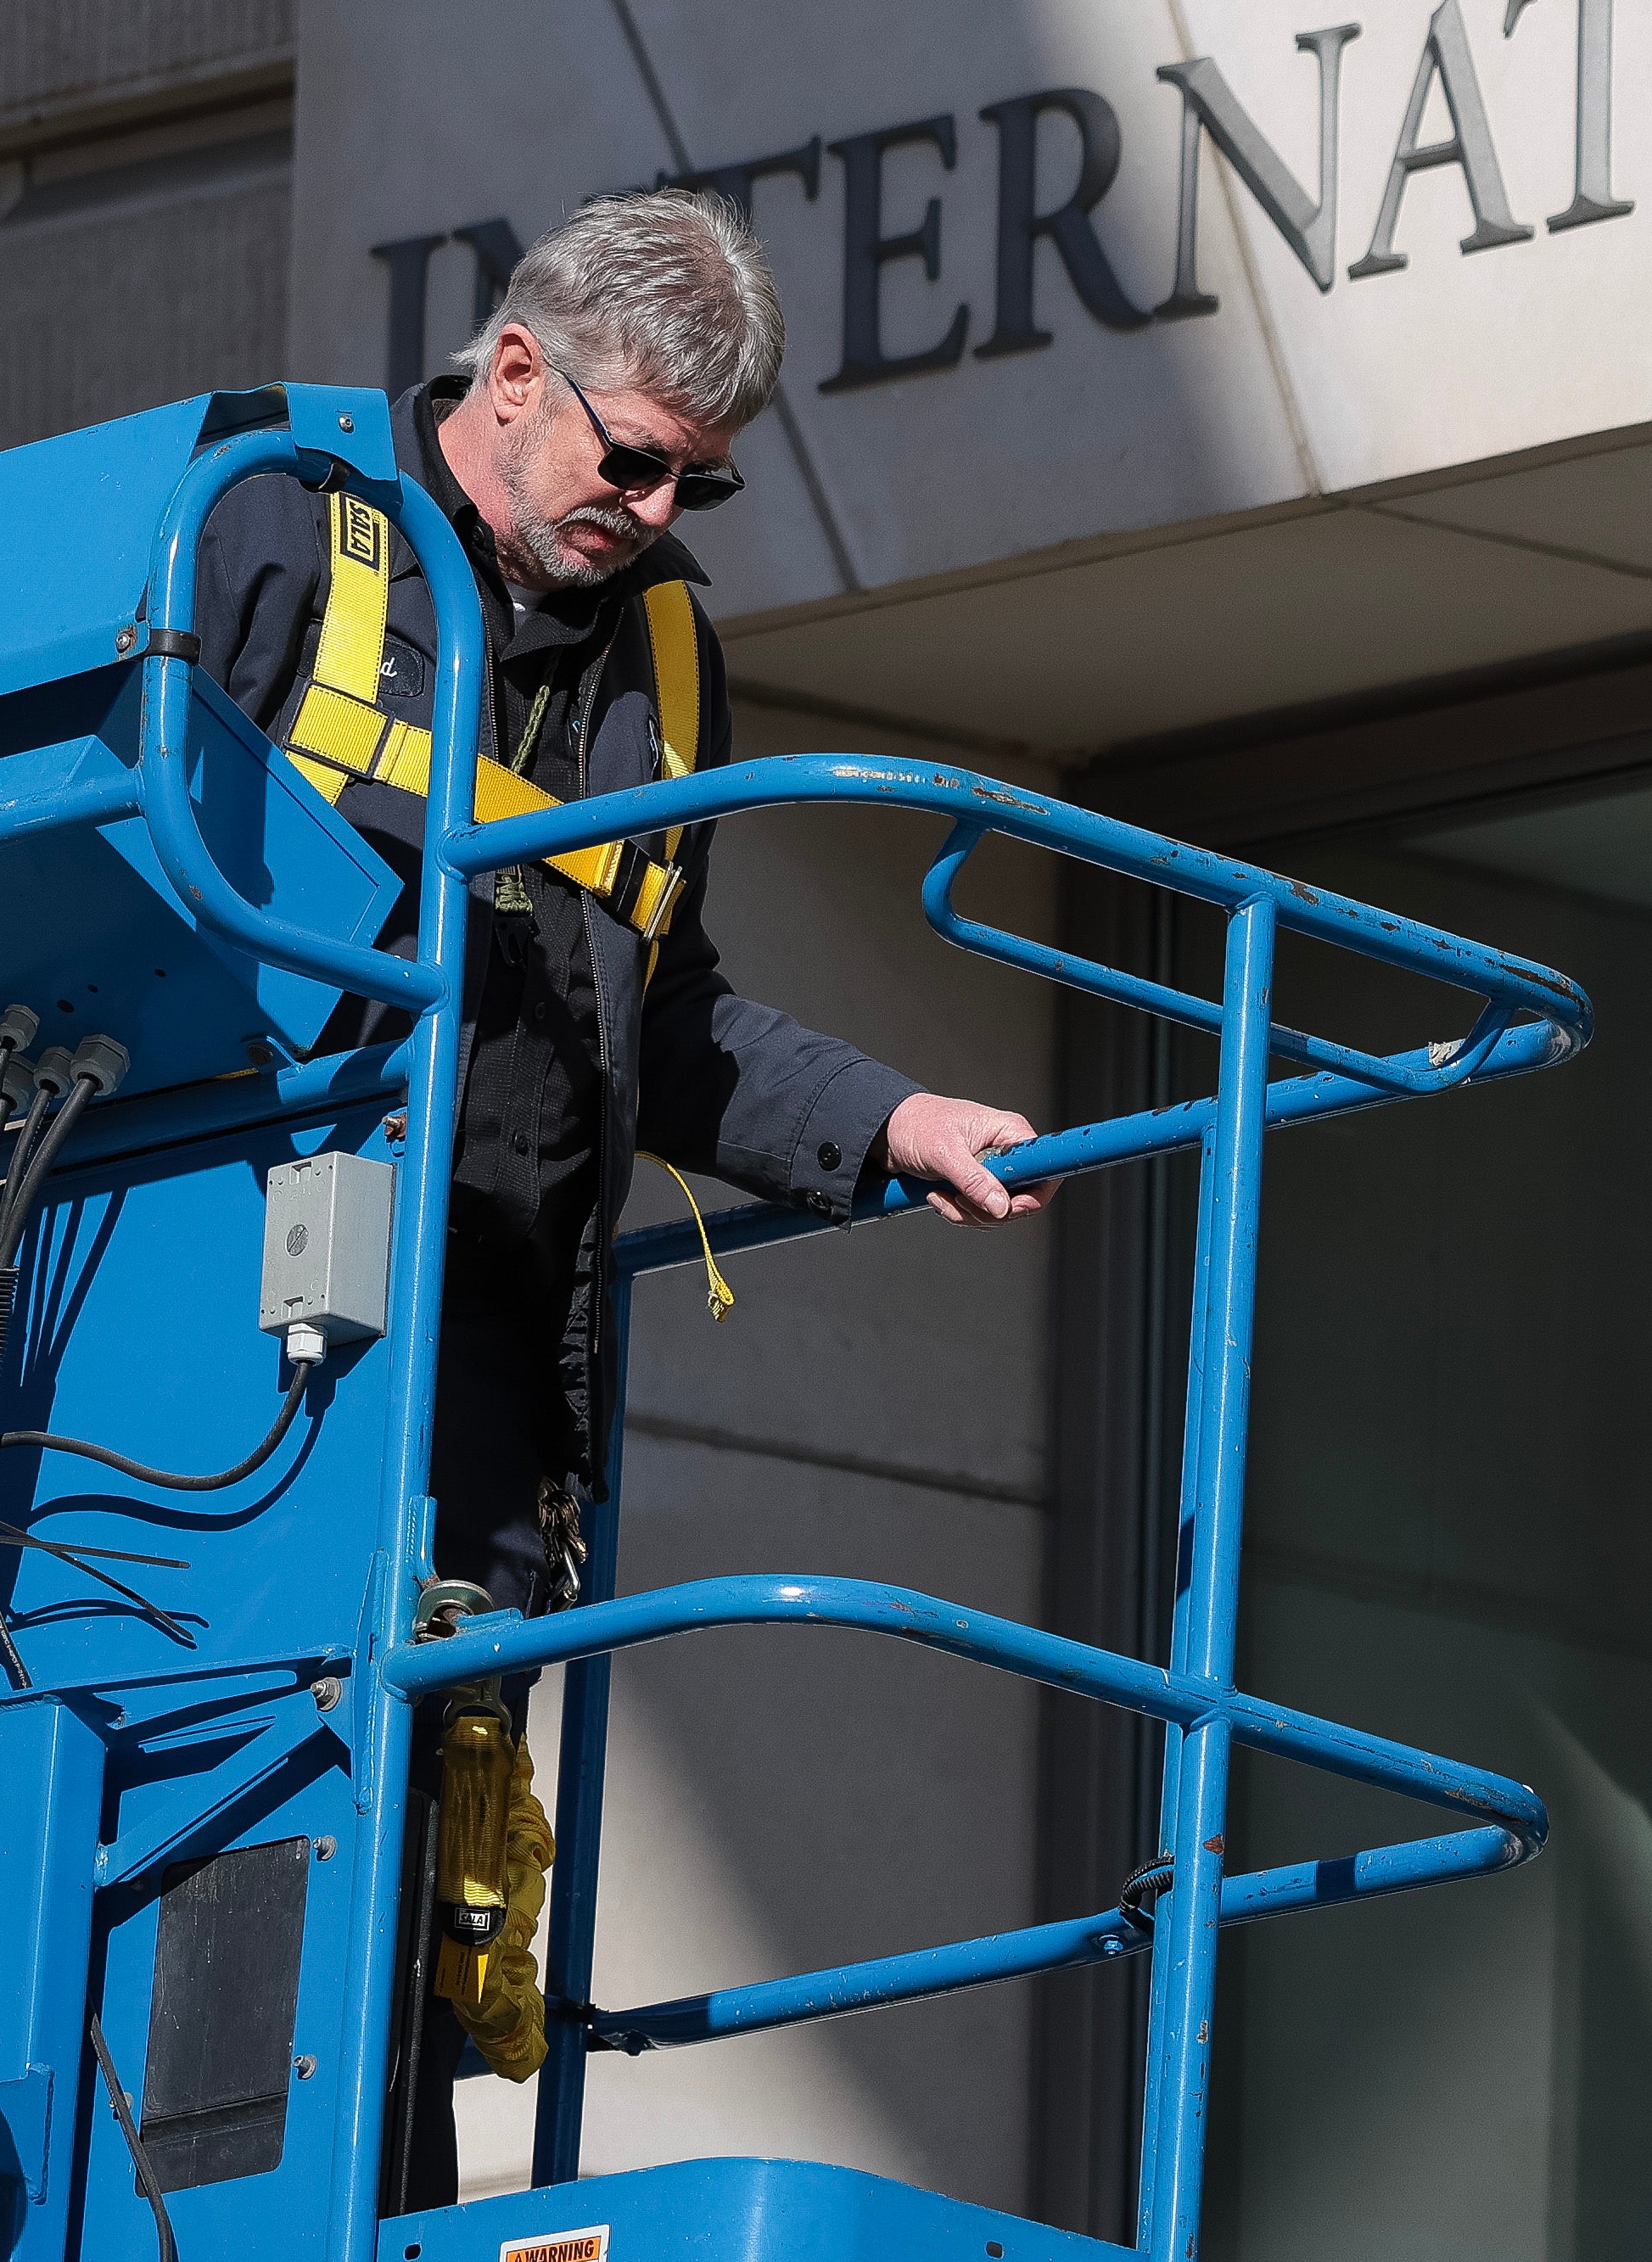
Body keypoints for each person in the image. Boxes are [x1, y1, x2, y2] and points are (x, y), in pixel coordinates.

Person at [187, 186, 1044, 1632]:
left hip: (489, 1383)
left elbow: (660, 1014)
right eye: (637, 460)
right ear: (515, 375)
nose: (653, 514)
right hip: (200, 1329)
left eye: (694, 486)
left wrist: (894, 1121)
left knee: (439, 1832)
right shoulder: (272, 518)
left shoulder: (666, 654)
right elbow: (81, 886)